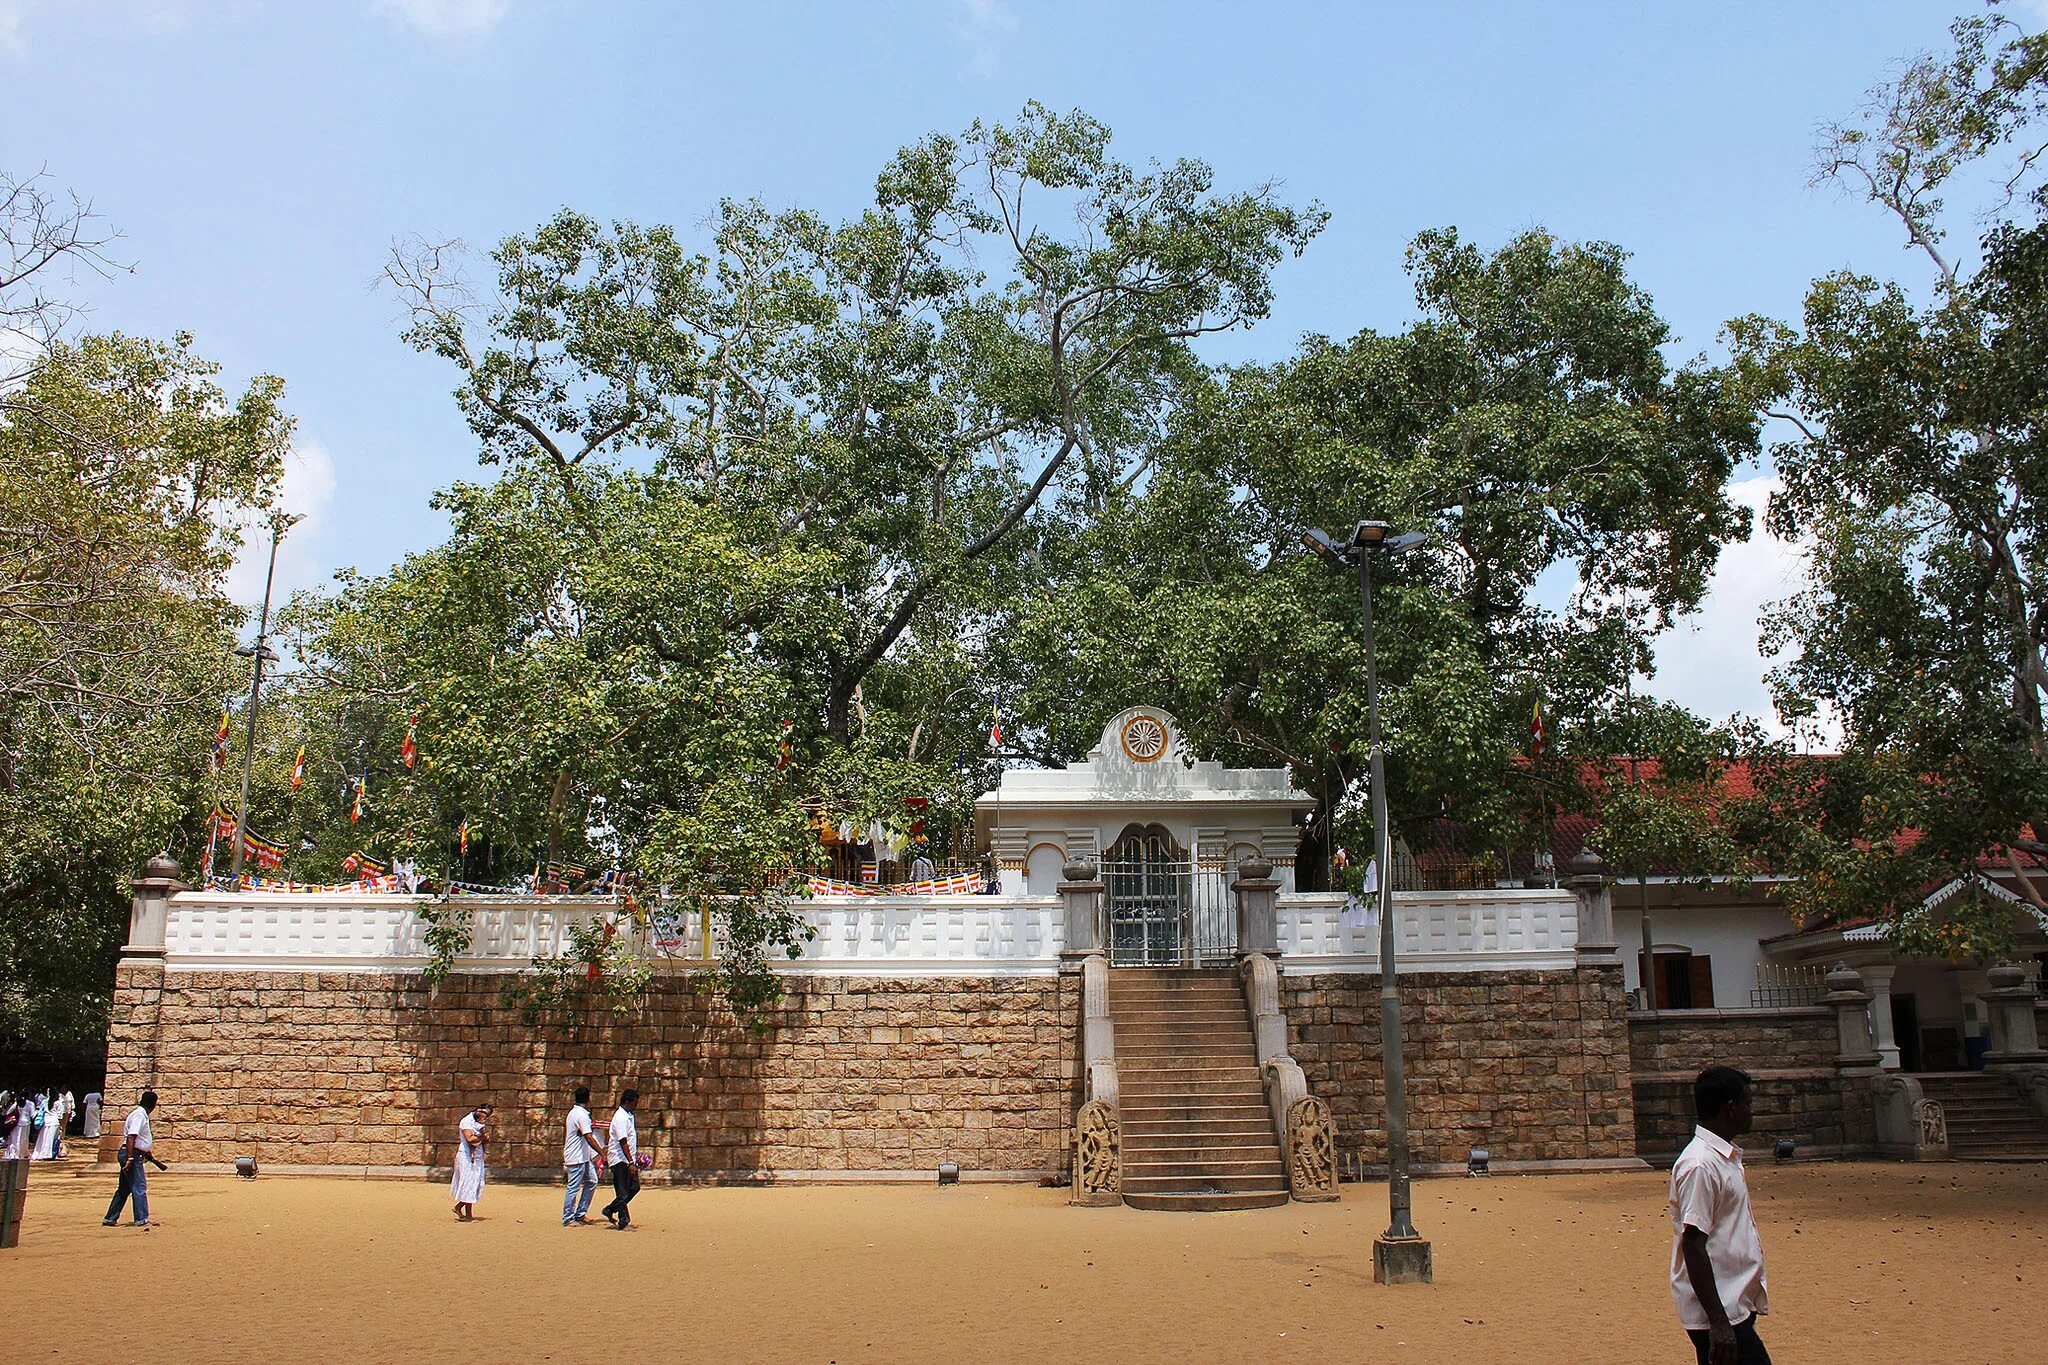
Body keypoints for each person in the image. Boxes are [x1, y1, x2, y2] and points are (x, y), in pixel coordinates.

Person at [1670, 1066, 1771, 1365]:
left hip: (1732, 1302)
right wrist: (1718, 1321)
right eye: (1747, 1103)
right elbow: (1693, 1242)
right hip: (1720, 1310)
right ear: (1730, 1109)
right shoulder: (1700, 1165)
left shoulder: (1721, 1158)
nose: (1751, 1111)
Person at [103, 1090, 165, 1228]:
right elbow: (132, 1136)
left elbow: (139, 1138)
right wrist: (130, 1157)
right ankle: (141, 1218)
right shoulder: (139, 1115)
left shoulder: (139, 1114)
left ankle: (110, 1218)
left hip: (135, 1153)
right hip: (132, 1155)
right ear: (153, 1105)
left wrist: (146, 1152)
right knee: (139, 1186)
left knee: (124, 1188)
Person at [599, 1088, 640, 1230]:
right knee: (622, 1192)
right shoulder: (621, 1118)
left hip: (628, 1159)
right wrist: (630, 1162)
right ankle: (623, 1222)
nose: (636, 1106)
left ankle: (610, 1209)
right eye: (634, 1103)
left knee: (634, 1187)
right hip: (619, 1160)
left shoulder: (628, 1115)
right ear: (627, 1102)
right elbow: (623, 1141)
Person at [563, 1084, 604, 1226]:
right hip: (576, 1157)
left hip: (584, 1157)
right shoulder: (580, 1115)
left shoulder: (577, 1113)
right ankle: (568, 1218)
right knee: (573, 1187)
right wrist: (601, 1152)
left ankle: (580, 1213)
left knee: (592, 1181)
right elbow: (589, 1136)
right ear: (588, 1099)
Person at [450, 1102, 491, 1221]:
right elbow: (470, 1138)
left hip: (477, 1156)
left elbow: (482, 1138)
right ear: (478, 1109)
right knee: (469, 1183)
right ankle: (468, 1215)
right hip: (466, 1156)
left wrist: (483, 1138)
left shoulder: (480, 1123)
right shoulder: (466, 1121)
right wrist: (482, 1137)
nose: (484, 1116)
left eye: (486, 1115)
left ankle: (459, 1207)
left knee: (474, 1183)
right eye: (483, 1112)